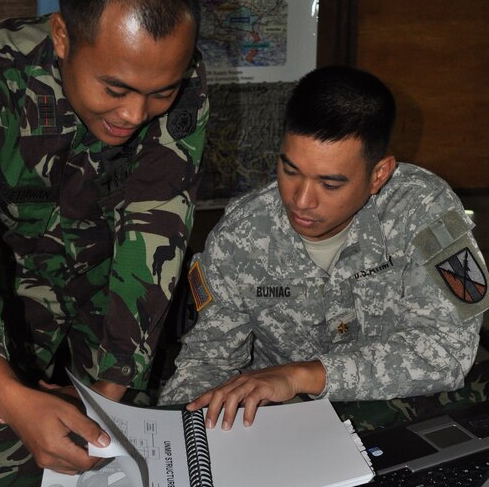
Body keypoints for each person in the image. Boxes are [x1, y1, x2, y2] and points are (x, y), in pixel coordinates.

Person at [0, 0, 209, 473]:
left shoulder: (178, 80)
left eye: (161, 92)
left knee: (107, 454)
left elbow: (157, 226)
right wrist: (7, 393)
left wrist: (107, 398)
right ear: (63, 37)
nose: (136, 112)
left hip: (109, 283)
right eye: (115, 87)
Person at [160, 66, 489, 430]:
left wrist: (302, 375)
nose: (301, 200)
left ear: (378, 174)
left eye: (330, 184)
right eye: (290, 170)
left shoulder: (424, 213)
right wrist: (170, 442)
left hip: (399, 414)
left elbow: (447, 350)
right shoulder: (240, 238)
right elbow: (206, 363)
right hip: (286, 424)